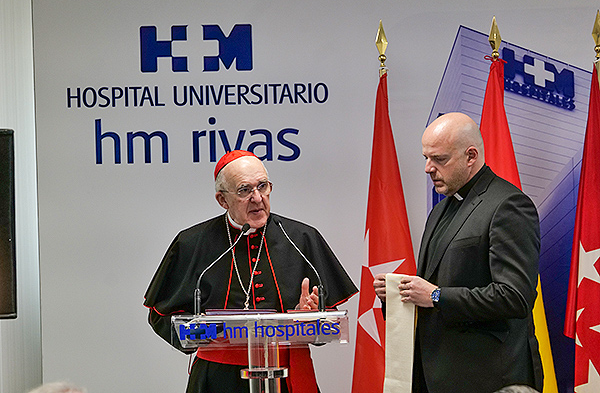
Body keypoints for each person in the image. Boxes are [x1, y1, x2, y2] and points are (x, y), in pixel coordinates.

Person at [144, 150, 357, 393]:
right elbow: (161, 315)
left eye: (263, 187)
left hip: (286, 376)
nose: (257, 198)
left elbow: (328, 323)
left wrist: (306, 318)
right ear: (222, 200)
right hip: (218, 380)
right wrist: (204, 331)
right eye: (244, 190)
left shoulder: (301, 238)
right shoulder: (192, 243)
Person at [374, 113, 543, 393]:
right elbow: (434, 289)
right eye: (426, 158)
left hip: (489, 379)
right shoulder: (440, 210)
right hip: (435, 377)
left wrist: (436, 296)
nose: (428, 168)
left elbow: (515, 297)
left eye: (439, 159)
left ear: (471, 156)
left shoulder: (509, 205)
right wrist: (398, 292)